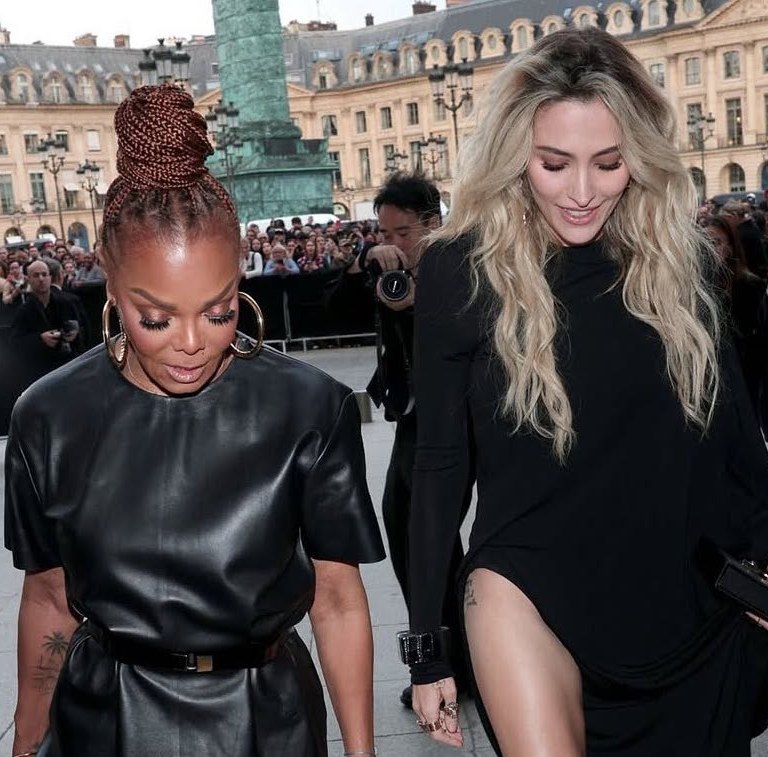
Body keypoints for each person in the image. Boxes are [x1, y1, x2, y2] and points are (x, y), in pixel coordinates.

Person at [402, 27, 768, 756]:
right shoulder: (459, 271)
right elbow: (437, 465)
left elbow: (734, 431)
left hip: (685, 600)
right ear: (515, 156)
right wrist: (425, 645)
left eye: (608, 163)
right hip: (528, 591)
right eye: (553, 163)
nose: (580, 191)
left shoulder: (679, 260)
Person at [6, 84, 384, 757]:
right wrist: (26, 737)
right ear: (112, 291)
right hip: (102, 722)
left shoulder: (310, 408)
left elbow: (337, 599)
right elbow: (47, 596)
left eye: (218, 311)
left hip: (267, 722)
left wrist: (362, 750)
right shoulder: (48, 417)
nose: (190, 342)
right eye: (156, 317)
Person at [330, 172, 473, 709]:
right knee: (410, 533)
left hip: (458, 425)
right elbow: (334, 313)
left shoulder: (457, 266)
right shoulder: (388, 270)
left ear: (434, 224)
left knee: (428, 540)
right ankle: (450, 659)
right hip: (414, 422)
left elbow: (461, 344)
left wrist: (415, 305)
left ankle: (450, 664)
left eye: (403, 232)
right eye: (383, 231)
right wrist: (360, 267)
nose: (392, 243)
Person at [10, 259, 81, 384]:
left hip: (68, 366)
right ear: (29, 279)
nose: (41, 279)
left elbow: (83, 329)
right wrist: (40, 339)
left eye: (44, 274)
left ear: (50, 277)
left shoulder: (66, 303)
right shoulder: (24, 311)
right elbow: (15, 343)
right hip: (40, 372)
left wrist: (75, 333)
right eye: (36, 275)